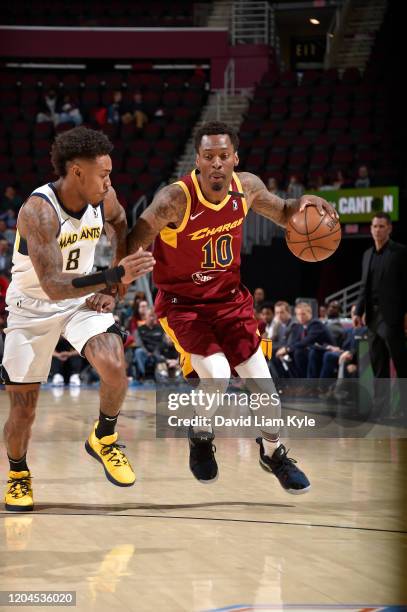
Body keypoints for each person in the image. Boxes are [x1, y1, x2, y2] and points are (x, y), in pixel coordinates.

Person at [122, 120, 337, 493]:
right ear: (198, 160)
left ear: (235, 158)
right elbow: (134, 239)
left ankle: (272, 453)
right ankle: (200, 435)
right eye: (209, 156)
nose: (217, 163)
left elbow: (285, 212)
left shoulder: (247, 188)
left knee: (266, 389)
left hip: (230, 301)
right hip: (182, 304)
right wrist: (117, 281)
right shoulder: (174, 199)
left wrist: (304, 203)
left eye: (224, 156)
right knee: (217, 374)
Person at [1, 126, 154, 512]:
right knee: (24, 410)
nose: (109, 181)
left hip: (80, 301)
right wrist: (112, 276)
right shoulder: (38, 210)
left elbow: (121, 225)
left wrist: (112, 287)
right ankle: (18, 474)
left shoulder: (105, 200)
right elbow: (52, 285)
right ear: (76, 172)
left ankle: (103, 437)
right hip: (30, 308)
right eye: (103, 174)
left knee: (116, 367)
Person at [354, 212, 407, 418]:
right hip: (373, 317)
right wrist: (358, 310)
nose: (378, 230)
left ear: (390, 229)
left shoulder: (400, 252)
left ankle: (404, 409)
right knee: (378, 364)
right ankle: (382, 409)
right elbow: (363, 286)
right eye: (375, 226)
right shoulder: (367, 255)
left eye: (382, 226)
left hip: (393, 316)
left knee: (402, 365)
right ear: (371, 228)